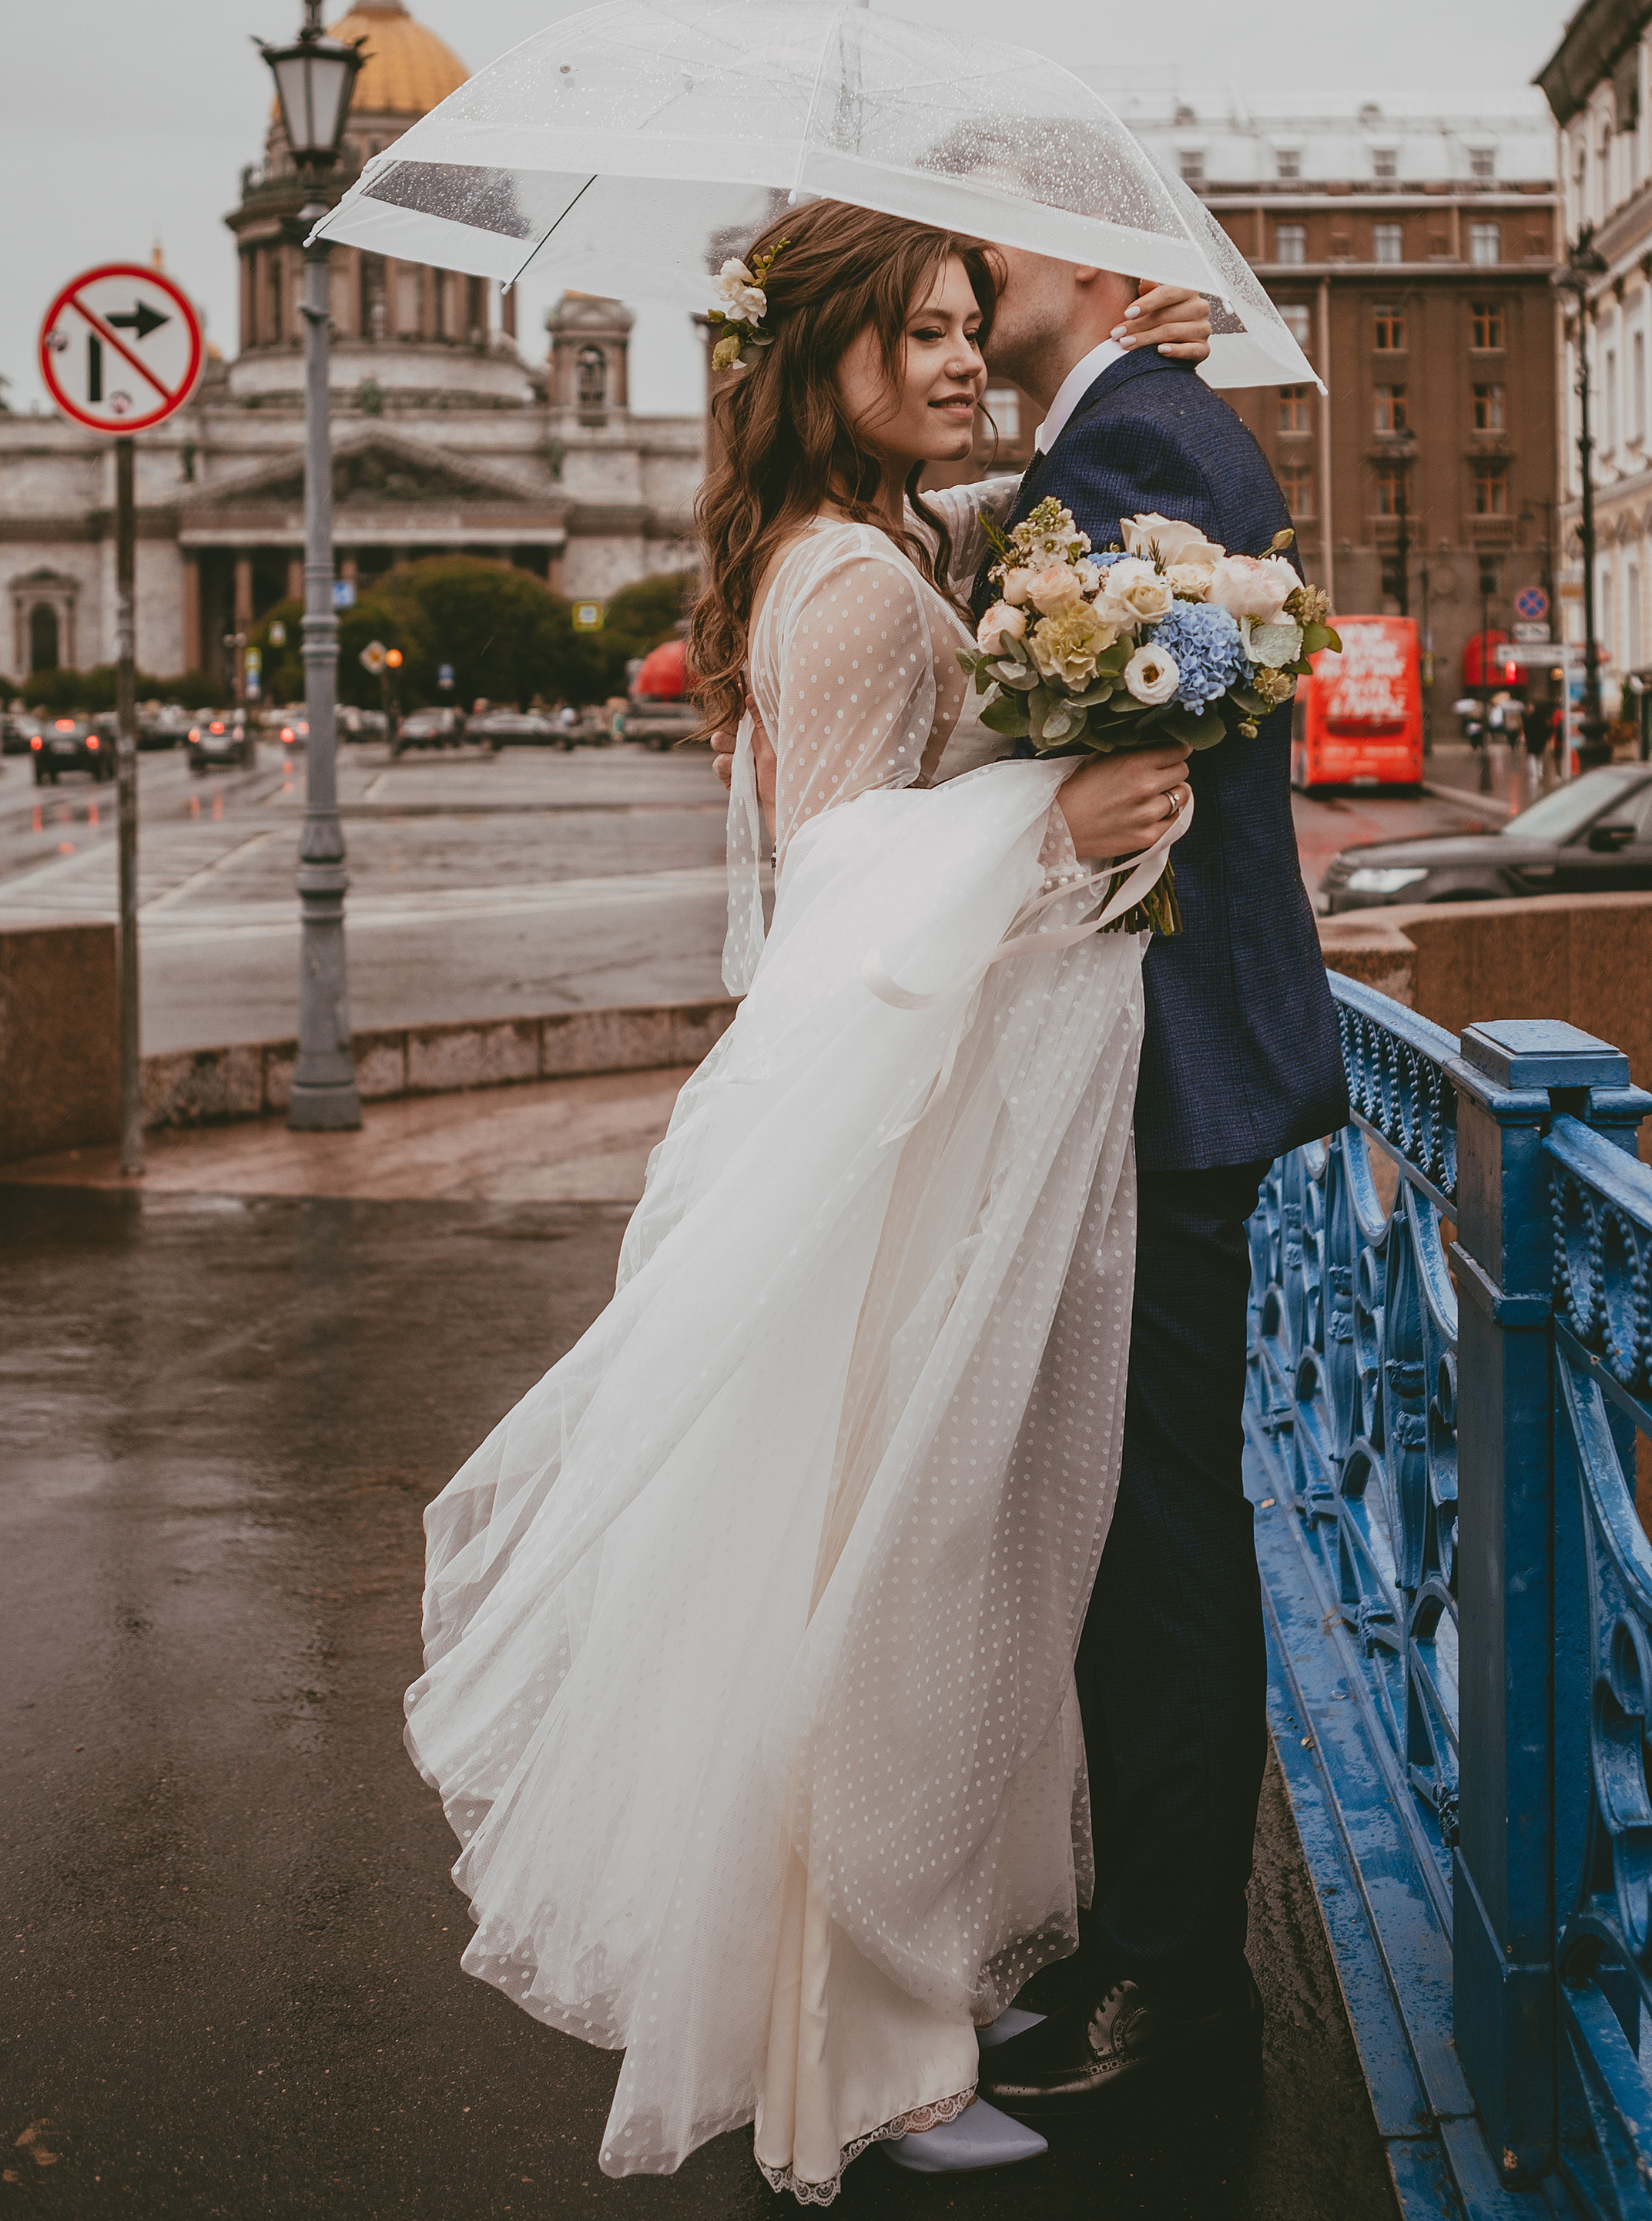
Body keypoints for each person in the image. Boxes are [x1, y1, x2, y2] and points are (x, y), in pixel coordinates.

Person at [404, 203, 1214, 2201]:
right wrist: (1064, 812)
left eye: (974, 328)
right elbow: (855, 897)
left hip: (883, 1133)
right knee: (882, 1592)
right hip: (891, 1152)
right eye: (921, 334)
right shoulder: (852, 582)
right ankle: (864, 2067)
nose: (963, 360)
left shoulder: (844, 548)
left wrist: (1115, 381)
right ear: (823, 360)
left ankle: (871, 2012)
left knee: (867, 1574)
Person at [967, 247, 1350, 2114]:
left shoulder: (1148, 442)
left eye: (997, 251)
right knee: (1132, 1529)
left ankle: (1184, 1977)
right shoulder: (1101, 433)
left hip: (1160, 1073)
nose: (966, 275)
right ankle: (1145, 1928)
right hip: (1130, 1068)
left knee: (1162, 1538)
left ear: (1106, 265)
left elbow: (1154, 771)